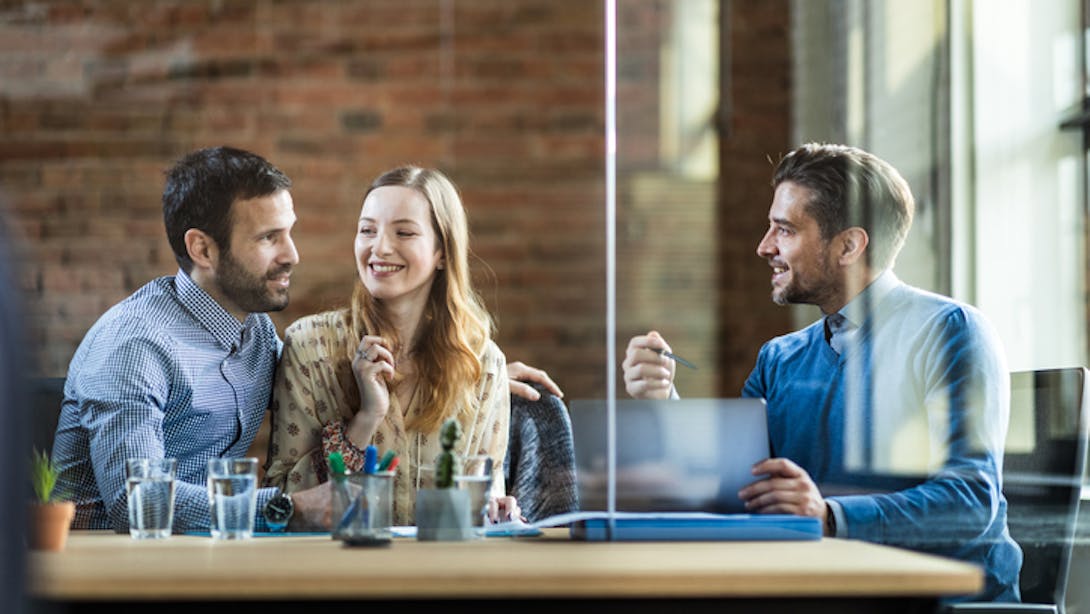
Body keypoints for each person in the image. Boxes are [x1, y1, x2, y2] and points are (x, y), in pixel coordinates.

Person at [622, 143, 1021, 603]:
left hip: (938, 603)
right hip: (824, 594)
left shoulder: (951, 331)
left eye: (785, 230)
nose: (764, 246)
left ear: (849, 245)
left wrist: (829, 517)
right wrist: (663, 399)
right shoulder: (780, 358)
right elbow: (732, 487)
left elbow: (970, 504)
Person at [52, 146, 342, 532]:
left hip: (202, 558)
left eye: (289, 232)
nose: (292, 255)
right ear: (202, 249)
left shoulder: (255, 332)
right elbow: (137, 502)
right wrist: (288, 508)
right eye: (269, 237)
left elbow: (311, 399)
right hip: (103, 571)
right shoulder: (135, 346)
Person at [263, 165, 522, 526]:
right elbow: (283, 501)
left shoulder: (484, 363)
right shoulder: (310, 346)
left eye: (404, 232)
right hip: (337, 571)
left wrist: (498, 508)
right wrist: (367, 417)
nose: (379, 247)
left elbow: (486, 490)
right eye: (367, 230)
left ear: (442, 253)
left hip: (442, 575)